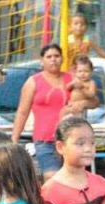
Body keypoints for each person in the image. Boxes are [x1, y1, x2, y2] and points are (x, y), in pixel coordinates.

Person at [11, 44, 73, 180]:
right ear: (42, 60)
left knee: (71, 178)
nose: (53, 59)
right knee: (52, 177)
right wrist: (14, 140)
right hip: (45, 140)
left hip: (70, 139)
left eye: (56, 56)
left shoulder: (72, 80)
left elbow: (90, 101)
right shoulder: (33, 82)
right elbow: (22, 111)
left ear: (62, 59)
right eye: (49, 57)